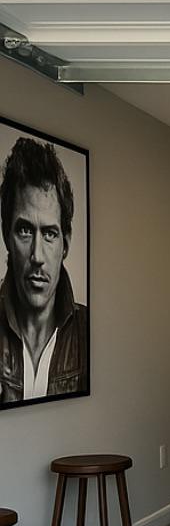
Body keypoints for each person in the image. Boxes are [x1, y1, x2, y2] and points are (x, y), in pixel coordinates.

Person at [0, 135, 87, 403]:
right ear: (6, 236)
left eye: (49, 233)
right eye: (25, 231)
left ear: (66, 244)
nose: (37, 256)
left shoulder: (87, 333)